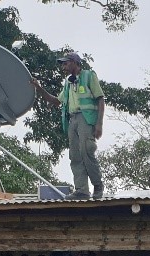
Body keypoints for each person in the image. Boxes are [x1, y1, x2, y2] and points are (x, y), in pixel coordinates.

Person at [32, 52, 106, 199]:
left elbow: (100, 99)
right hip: (72, 120)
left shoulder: (88, 76)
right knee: (75, 155)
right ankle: (82, 190)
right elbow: (56, 101)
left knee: (87, 150)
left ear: (74, 62)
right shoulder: (68, 82)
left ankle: (97, 186)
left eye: (65, 63)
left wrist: (99, 124)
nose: (63, 67)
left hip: (86, 118)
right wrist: (38, 88)